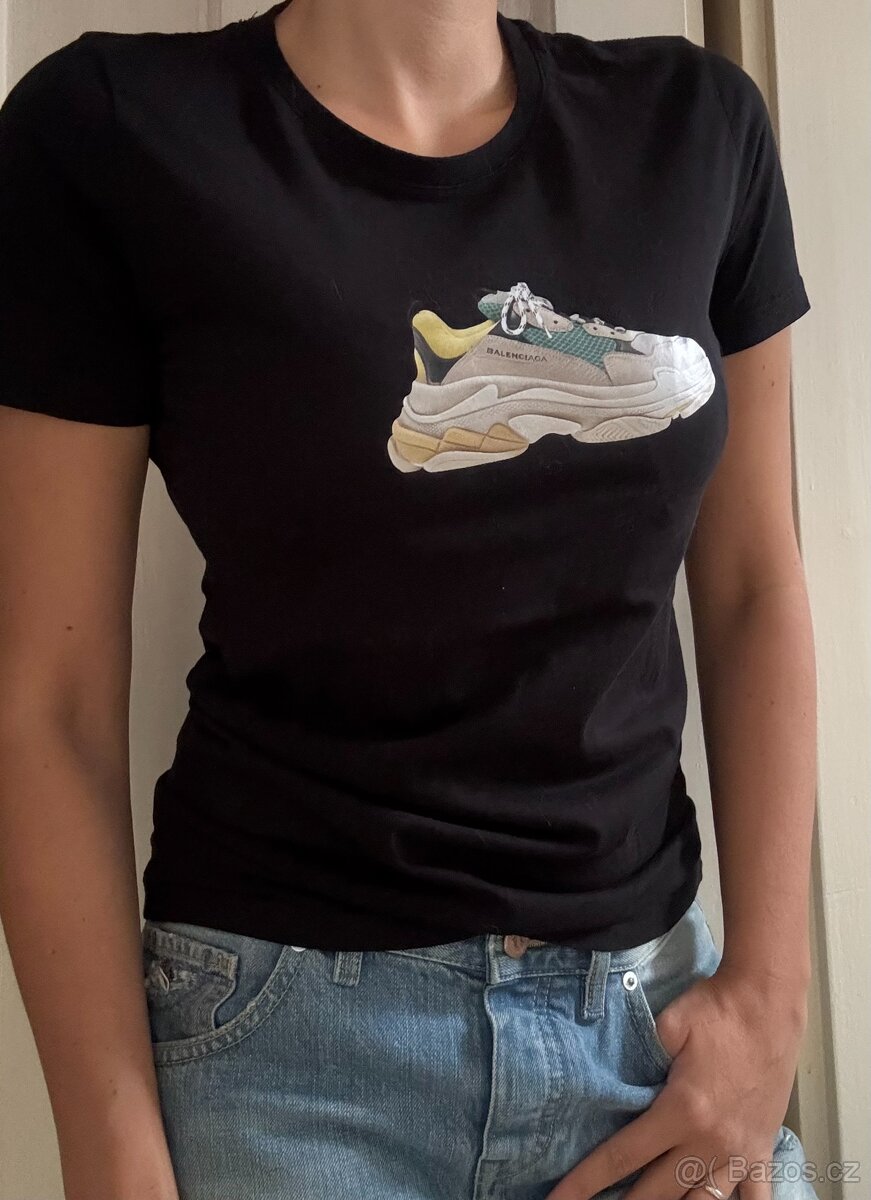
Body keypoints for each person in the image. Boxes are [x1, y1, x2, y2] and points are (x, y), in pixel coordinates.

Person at [0, 1, 819, 1197]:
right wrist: (110, 1149)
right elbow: (49, 699)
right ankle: (478, 358)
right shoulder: (112, 132)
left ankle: (510, 346)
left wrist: (771, 1001)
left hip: (652, 1032)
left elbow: (753, 586)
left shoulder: (693, 129)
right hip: (281, 1057)